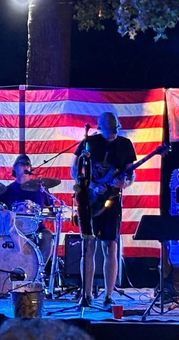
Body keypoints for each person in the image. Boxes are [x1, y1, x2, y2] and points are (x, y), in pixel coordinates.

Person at [71, 112, 136, 310]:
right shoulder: (88, 143)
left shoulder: (125, 144)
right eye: (108, 131)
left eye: (114, 130)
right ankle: (87, 294)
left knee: (110, 247)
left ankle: (108, 295)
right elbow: (75, 170)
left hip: (112, 201)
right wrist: (90, 186)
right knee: (88, 246)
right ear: (100, 128)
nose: (111, 134)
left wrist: (124, 183)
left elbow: (131, 174)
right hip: (90, 201)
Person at [0, 154, 54, 263]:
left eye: (28, 164)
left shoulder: (41, 189)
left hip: (37, 228)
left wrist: (50, 216)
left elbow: (51, 210)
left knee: (48, 236)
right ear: (14, 168)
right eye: (22, 164)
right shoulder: (8, 190)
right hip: (13, 229)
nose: (25, 167)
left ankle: (39, 271)